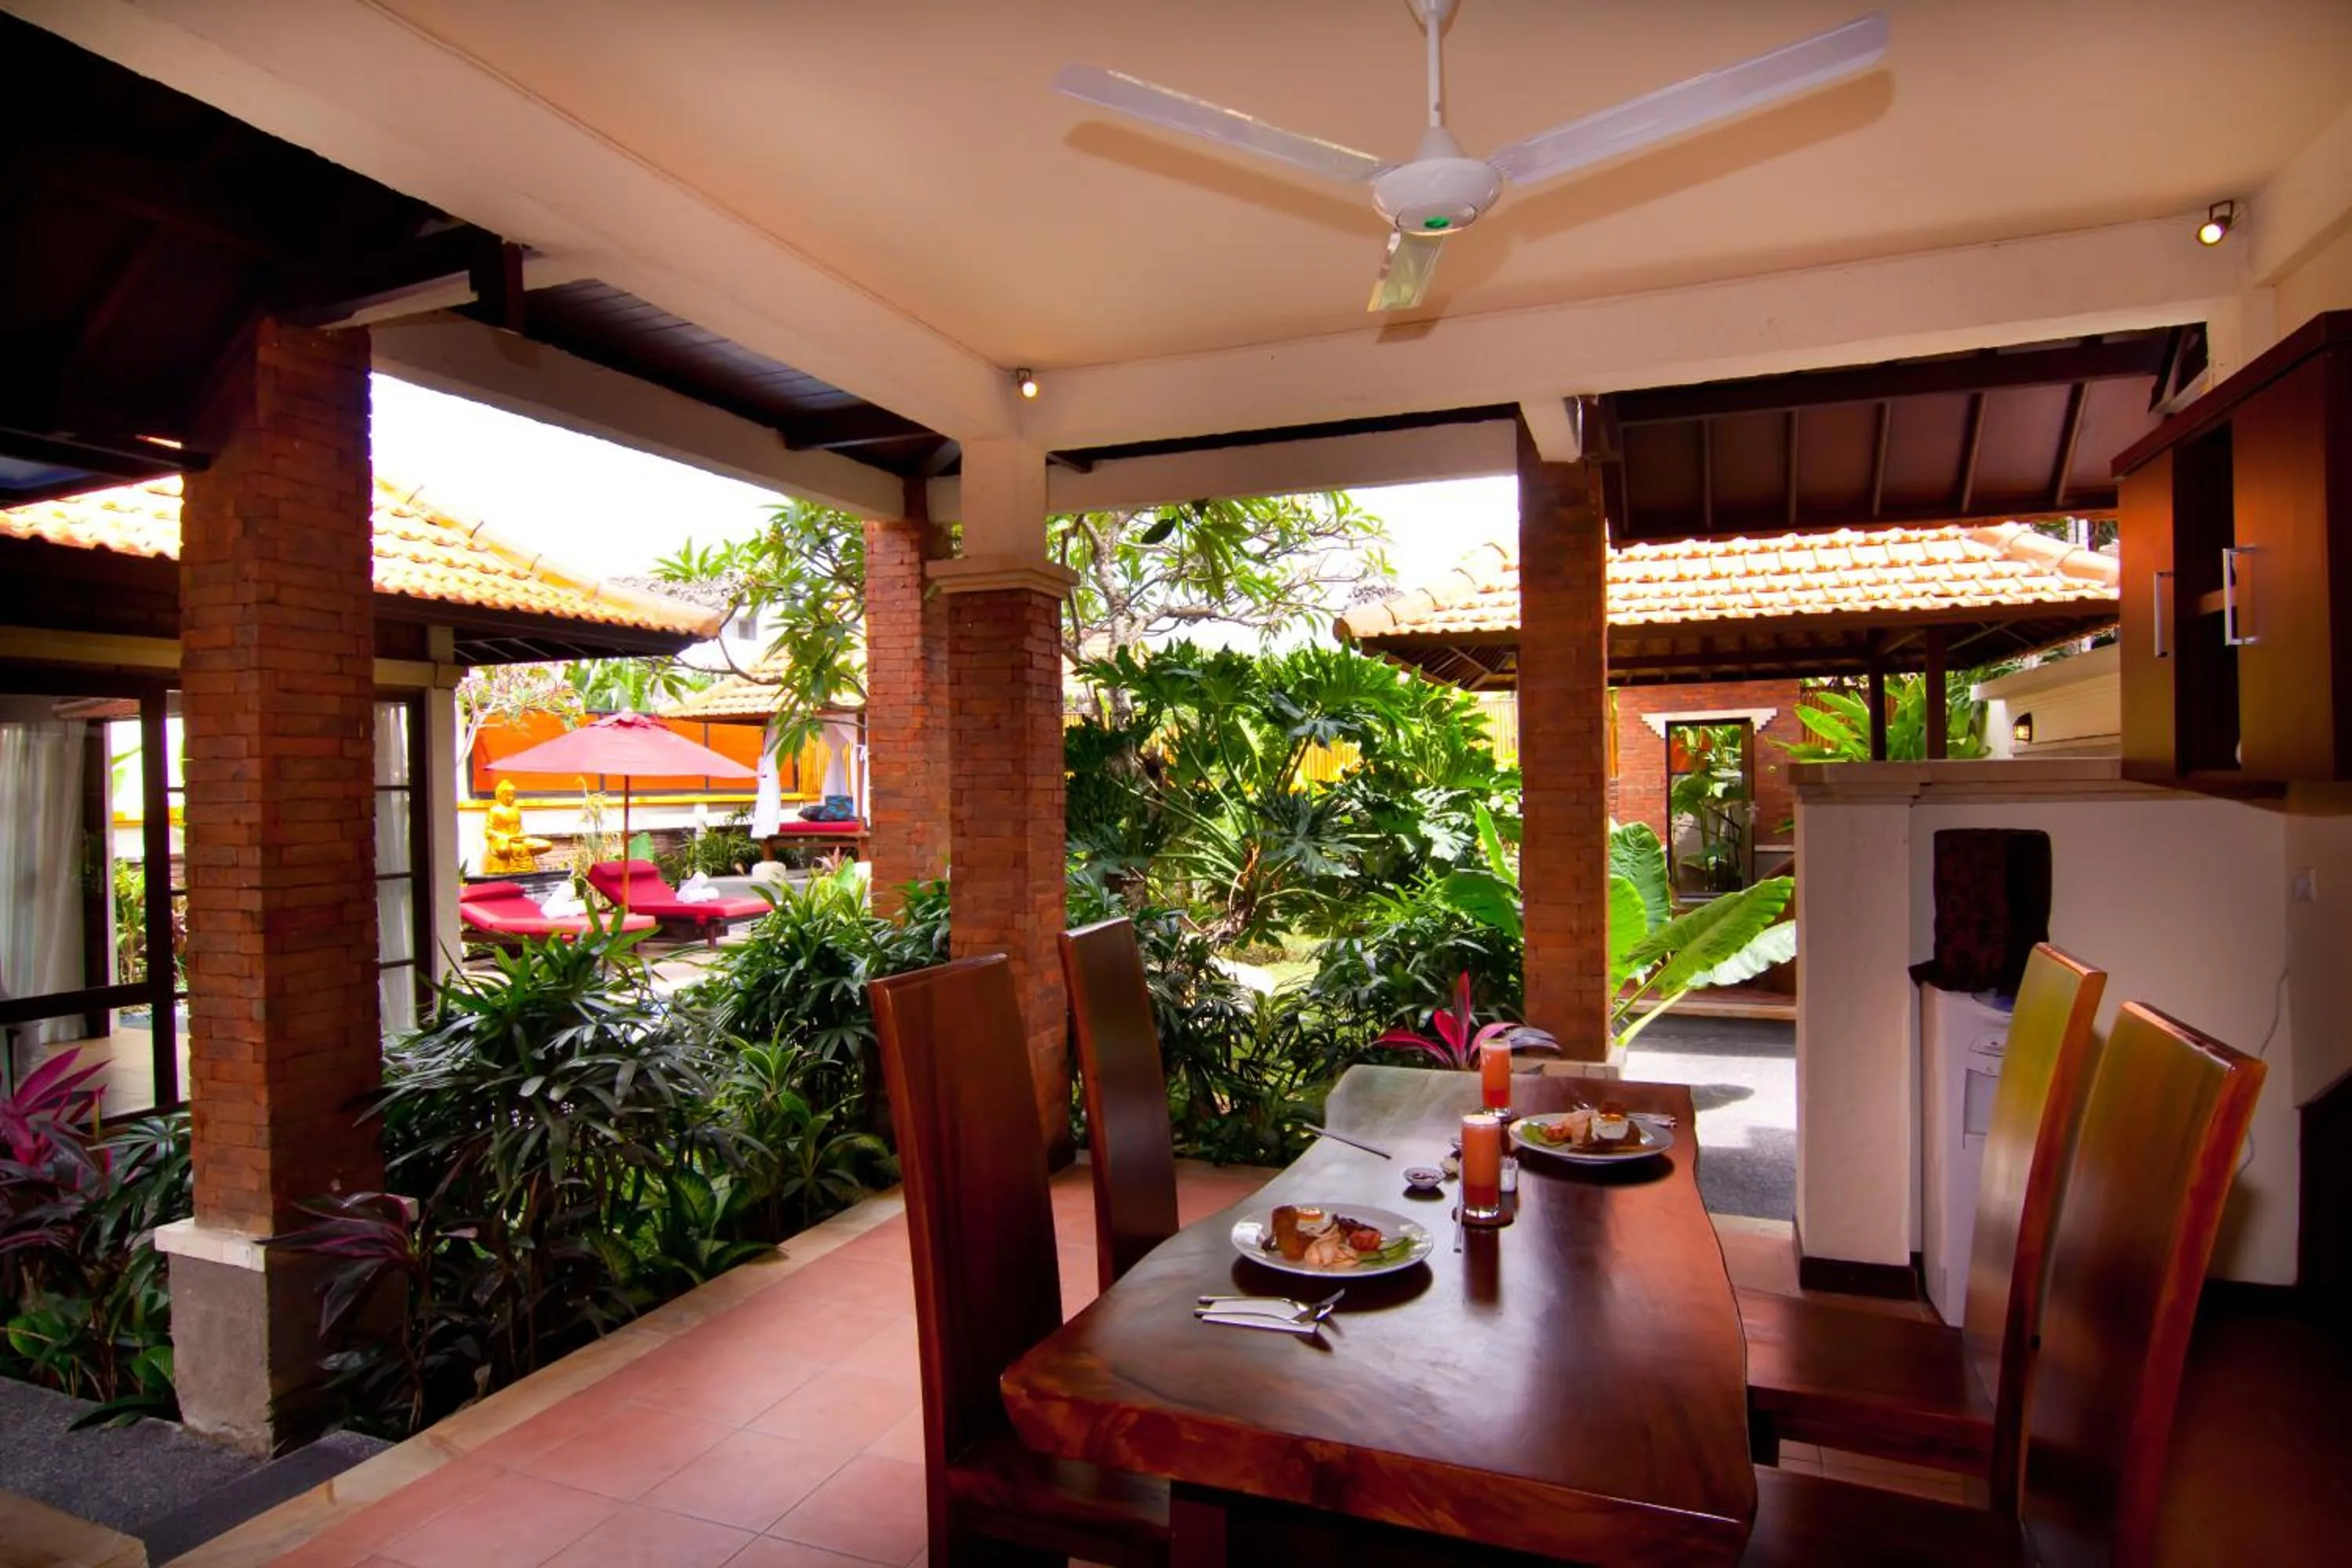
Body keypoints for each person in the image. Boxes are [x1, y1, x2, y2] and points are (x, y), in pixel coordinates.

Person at [481, 778, 554, 873]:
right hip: (504, 842)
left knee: (547, 845)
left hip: (520, 841)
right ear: (499, 795)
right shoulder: (495, 811)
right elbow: (488, 832)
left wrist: (521, 835)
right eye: (507, 795)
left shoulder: (516, 810)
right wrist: (508, 837)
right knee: (503, 850)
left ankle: (523, 864)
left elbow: (520, 829)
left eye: (512, 795)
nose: (511, 798)